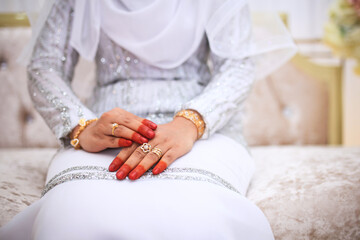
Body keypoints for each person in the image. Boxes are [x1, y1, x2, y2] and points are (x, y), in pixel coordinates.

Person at [0, 0, 295, 239]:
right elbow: (45, 66)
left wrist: (190, 123)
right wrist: (81, 125)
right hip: (108, 133)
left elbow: (238, 65)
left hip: (203, 130)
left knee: (200, 213)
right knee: (74, 211)